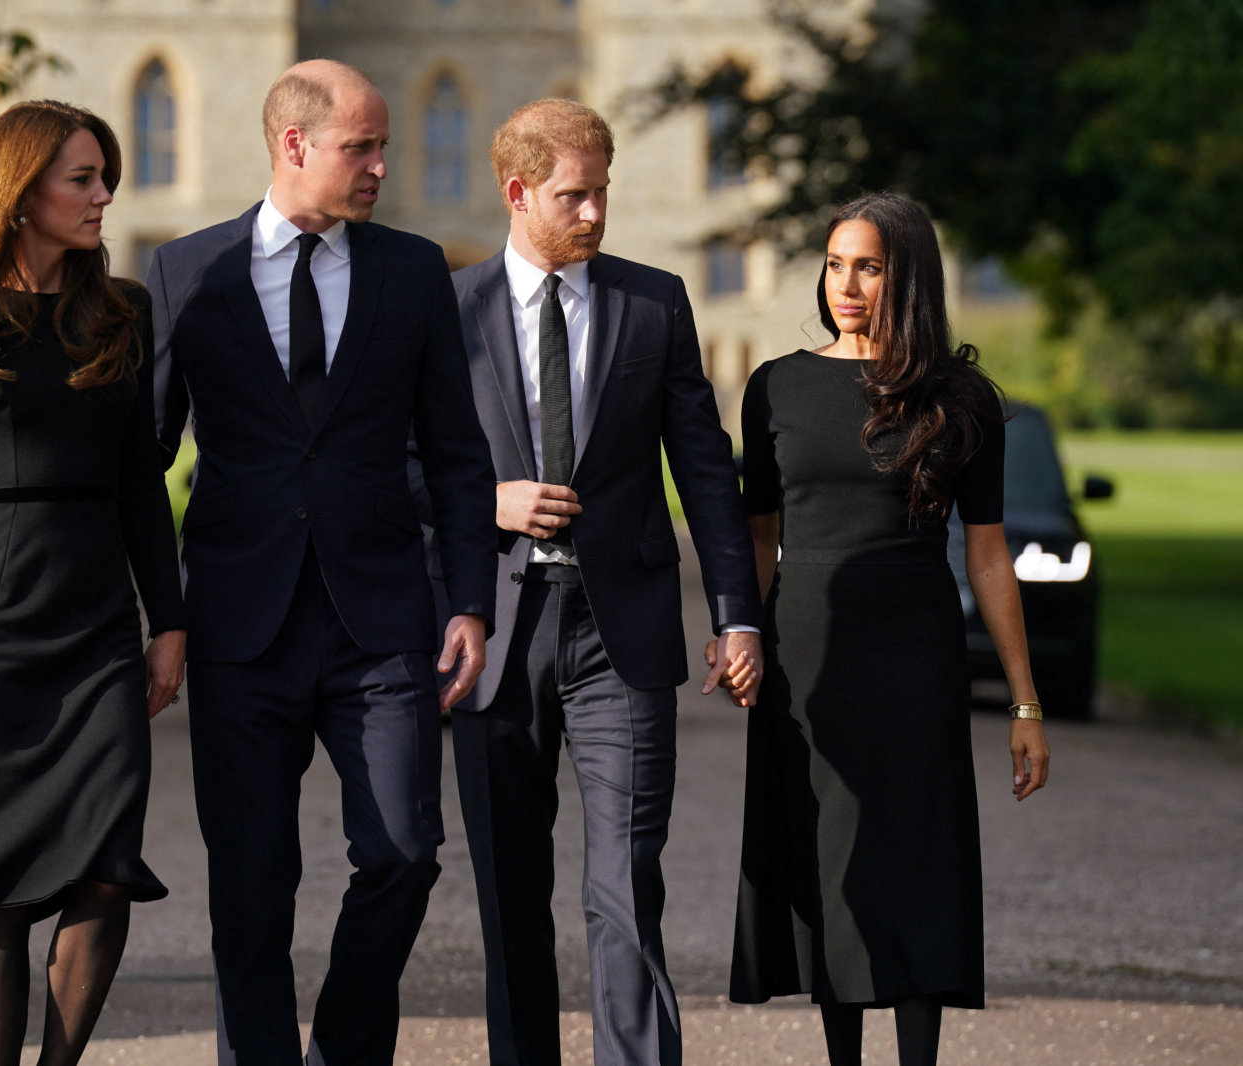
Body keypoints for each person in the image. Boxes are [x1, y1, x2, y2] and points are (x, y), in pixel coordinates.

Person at [146, 61, 498, 1065]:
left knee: (404, 854)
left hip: (381, 623)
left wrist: (467, 600)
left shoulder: (411, 270)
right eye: (362, 146)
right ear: (294, 145)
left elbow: (460, 457)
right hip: (236, 624)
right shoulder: (189, 272)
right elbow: (145, 460)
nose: (383, 164)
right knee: (251, 884)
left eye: (383, 144)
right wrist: (157, 612)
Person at [434, 99, 764, 1066]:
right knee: (509, 887)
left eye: (601, 192)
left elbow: (704, 469)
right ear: (517, 192)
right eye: (571, 197)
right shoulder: (448, 312)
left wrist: (737, 615)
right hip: (495, 633)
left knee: (626, 879)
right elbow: (395, 465)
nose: (592, 213)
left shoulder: (653, 302)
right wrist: (488, 501)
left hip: (620, 632)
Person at [0, 100, 184, 1066]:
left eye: (104, 175)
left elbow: (145, 478)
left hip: (100, 621)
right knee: (1, 884)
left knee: (105, 867)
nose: (105, 194)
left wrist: (167, 622)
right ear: (20, 195)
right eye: (82, 179)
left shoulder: (123, 310)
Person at [730, 192, 1053, 1066]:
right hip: (805, 651)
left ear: (906, 274)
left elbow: (987, 557)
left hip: (915, 655)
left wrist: (1024, 705)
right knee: (831, 861)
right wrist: (741, 636)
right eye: (836, 263)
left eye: (868, 265)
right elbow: (757, 534)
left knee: (912, 859)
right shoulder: (777, 386)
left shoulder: (958, 397)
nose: (846, 283)